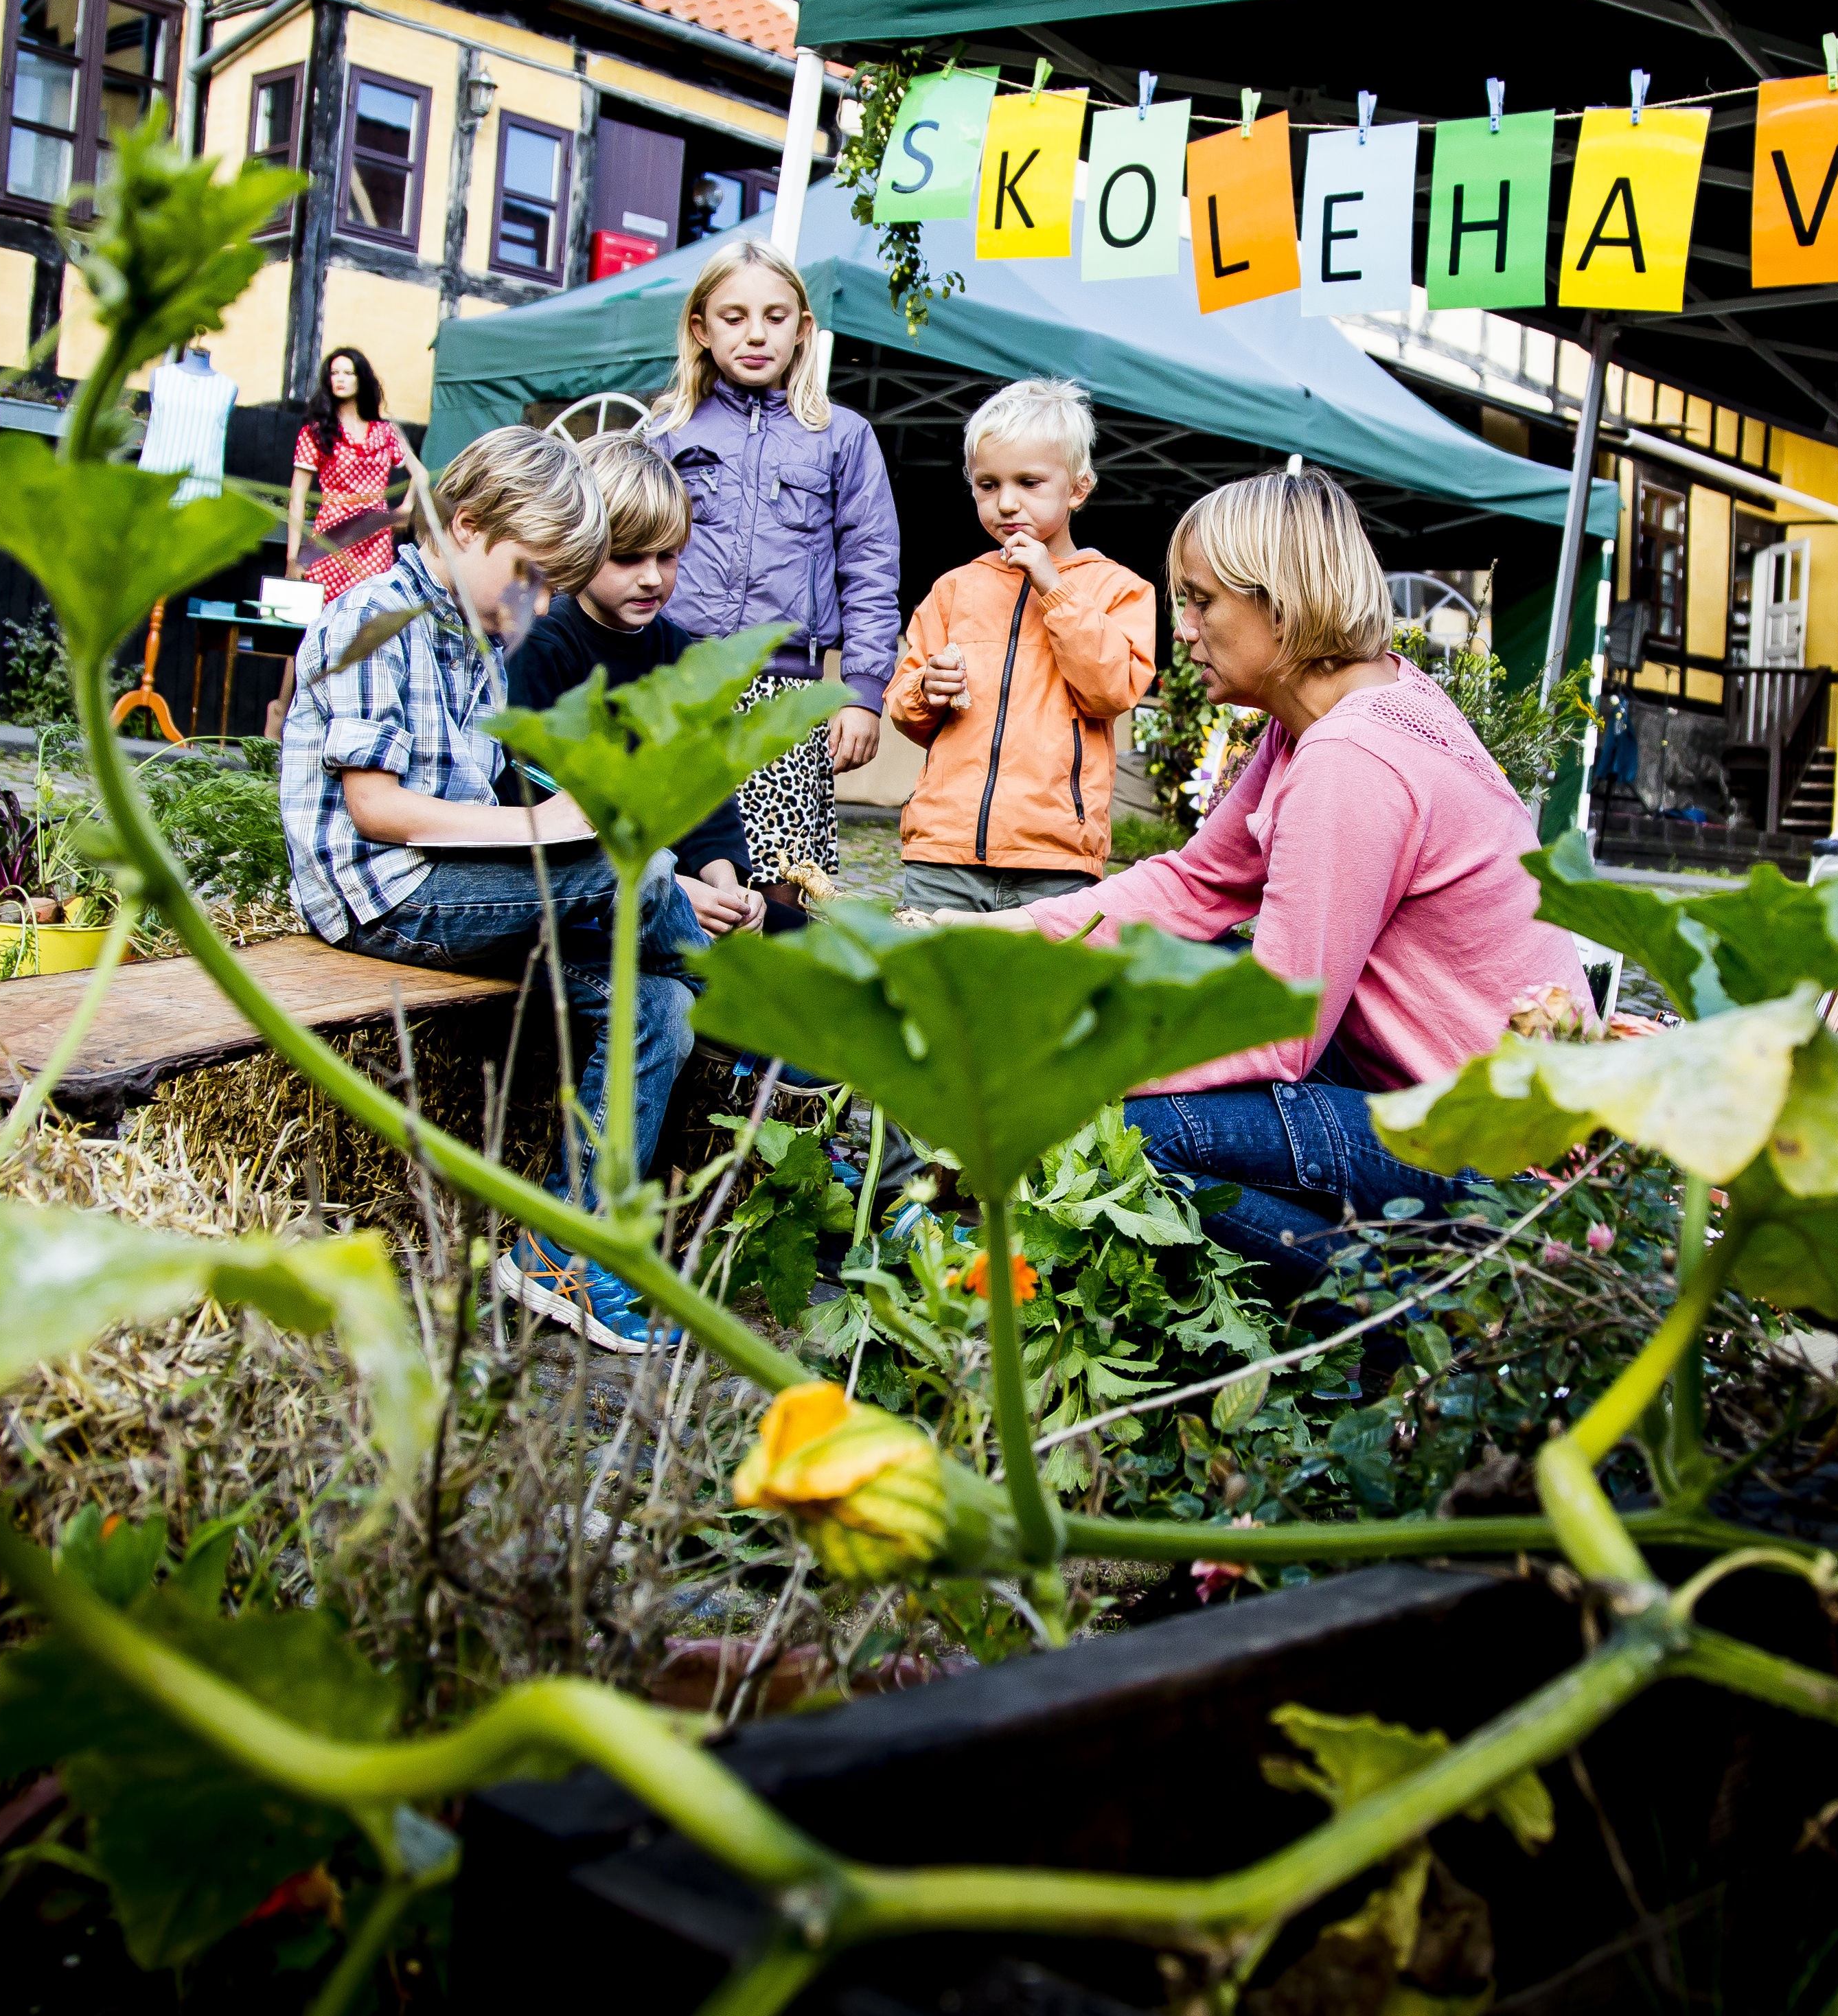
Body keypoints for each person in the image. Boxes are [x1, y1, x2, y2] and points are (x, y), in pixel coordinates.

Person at [1001, 472, 1585, 1279]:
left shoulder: (1350, 759)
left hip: (1503, 1168)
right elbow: (1196, 887)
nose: (1186, 629)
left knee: (1142, 1138)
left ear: (1281, 605)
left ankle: (1400, 1312)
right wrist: (996, 938)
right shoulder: (1334, 712)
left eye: (1202, 602)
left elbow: (1281, 1027)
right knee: (1175, 991)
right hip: (1431, 1098)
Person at [278, 426, 699, 1351]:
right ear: (466, 527)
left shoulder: (475, 635)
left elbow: (493, 783)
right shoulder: (373, 619)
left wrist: (570, 803)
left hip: (458, 885)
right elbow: (381, 810)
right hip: (386, 893)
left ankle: (562, 1252)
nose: (540, 601)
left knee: (659, 1000)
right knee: (645, 875)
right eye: (533, 577)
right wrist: (545, 832)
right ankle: (765, 1029)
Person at [643, 243, 899, 900]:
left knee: (780, 883)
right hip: (682, 683)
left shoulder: (843, 436)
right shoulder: (665, 432)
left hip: (787, 693)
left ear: (803, 330)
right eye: (733, 317)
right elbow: (620, 554)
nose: (755, 333)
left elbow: (871, 568)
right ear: (700, 328)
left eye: (775, 317)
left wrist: (863, 694)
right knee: (675, 875)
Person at [888, 379, 1157, 913]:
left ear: (1078, 489)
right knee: (930, 991)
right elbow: (904, 708)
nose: (1006, 503)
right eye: (988, 485)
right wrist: (927, 689)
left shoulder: (1120, 589)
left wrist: (1054, 589)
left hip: (1055, 861)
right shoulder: (954, 588)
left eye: (1029, 482)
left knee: (1037, 997)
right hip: (943, 852)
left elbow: (1111, 691)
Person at [504, 433, 777, 941]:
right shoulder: (543, 644)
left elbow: (707, 794)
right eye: (628, 557)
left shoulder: (681, 653)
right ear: (579, 547)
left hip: (679, 876)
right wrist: (669, 887)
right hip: (581, 887)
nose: (652, 578)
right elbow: (533, 795)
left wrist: (727, 885)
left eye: (668, 556)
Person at [286, 346, 424, 606]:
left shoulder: (386, 432)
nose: (339, 379)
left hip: (374, 541)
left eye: (348, 373)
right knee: (324, 618)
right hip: (332, 537)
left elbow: (421, 474)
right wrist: (293, 559)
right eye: (334, 373)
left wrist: (404, 510)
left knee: (368, 615)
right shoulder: (316, 432)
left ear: (361, 379)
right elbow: (297, 500)